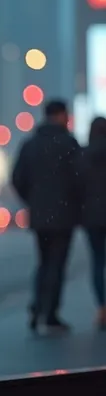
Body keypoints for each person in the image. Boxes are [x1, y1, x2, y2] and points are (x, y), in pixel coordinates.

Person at [12, 99, 80, 334]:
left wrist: (32, 201)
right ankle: (49, 313)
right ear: (62, 116)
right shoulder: (69, 144)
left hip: (39, 215)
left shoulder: (30, 144)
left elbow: (17, 178)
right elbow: (78, 179)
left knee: (43, 262)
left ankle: (37, 307)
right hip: (64, 215)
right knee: (57, 265)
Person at [78, 116, 106, 328]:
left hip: (92, 217)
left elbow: (75, 185)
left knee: (97, 262)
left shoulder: (83, 154)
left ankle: (102, 307)